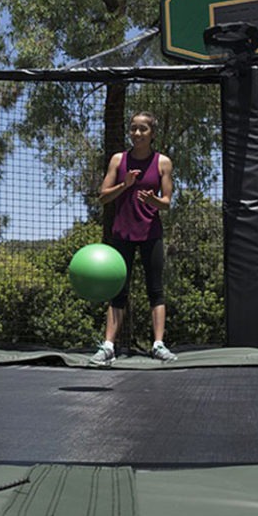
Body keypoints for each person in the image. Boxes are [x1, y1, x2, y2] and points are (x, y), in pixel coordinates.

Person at [90, 112, 175, 365]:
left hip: (151, 234)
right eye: (133, 129)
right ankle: (108, 347)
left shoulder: (163, 163)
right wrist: (125, 185)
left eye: (143, 129)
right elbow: (103, 196)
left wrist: (154, 201)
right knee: (117, 291)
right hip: (122, 235)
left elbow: (167, 203)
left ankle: (158, 345)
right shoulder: (119, 160)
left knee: (155, 290)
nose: (137, 134)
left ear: (152, 133)